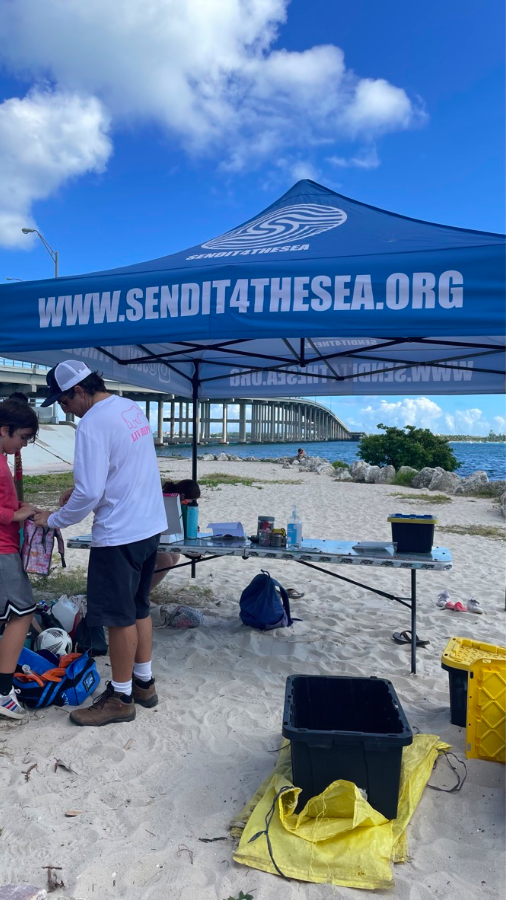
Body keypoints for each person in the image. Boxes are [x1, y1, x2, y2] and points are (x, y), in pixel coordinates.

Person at [33, 360, 167, 727]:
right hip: (149, 524)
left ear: (79, 390)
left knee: (118, 618)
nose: (66, 411)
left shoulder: (92, 423)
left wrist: (54, 519)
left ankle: (120, 698)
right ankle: (143, 684)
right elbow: (122, 468)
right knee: (139, 609)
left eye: (64, 402)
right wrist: (78, 490)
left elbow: (90, 492)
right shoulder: (129, 408)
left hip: (119, 533)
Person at [0, 398, 40, 720]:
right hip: (2, 548)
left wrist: (20, 509)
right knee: (22, 610)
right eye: (23, 437)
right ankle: (2, 691)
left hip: (6, 544)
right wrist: (15, 515)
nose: (24, 444)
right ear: (4, 429)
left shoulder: (3, 457)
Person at [150, 479, 201, 593]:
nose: (192, 504)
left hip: (157, 539)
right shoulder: (167, 503)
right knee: (166, 562)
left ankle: (144, 593)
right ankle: (141, 596)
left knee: (174, 557)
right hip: (146, 539)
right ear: (182, 497)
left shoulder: (177, 504)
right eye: (191, 501)